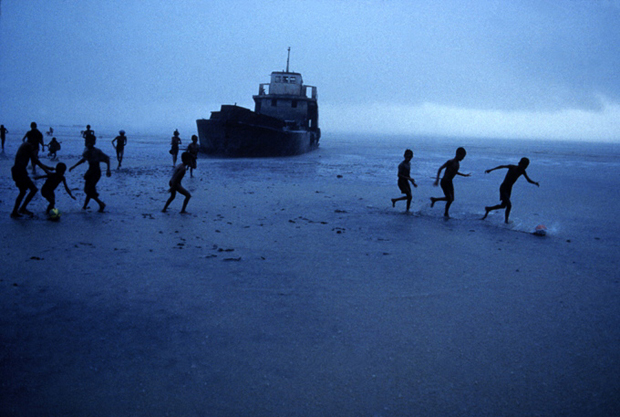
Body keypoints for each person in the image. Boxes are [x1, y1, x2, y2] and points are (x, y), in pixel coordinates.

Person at [482, 157, 540, 223]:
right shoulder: (512, 167)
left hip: (509, 189)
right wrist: (491, 170)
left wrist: (535, 182)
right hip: (503, 187)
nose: (525, 167)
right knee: (509, 205)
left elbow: (528, 180)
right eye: (524, 165)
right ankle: (506, 221)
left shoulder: (522, 171)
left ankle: (489, 208)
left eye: (526, 166)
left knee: (503, 206)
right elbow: (501, 166)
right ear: (520, 163)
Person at [10, 141, 55, 218]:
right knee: (33, 189)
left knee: (22, 192)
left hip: (16, 170)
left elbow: (35, 160)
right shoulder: (28, 147)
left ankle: (15, 211)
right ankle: (22, 208)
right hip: (20, 172)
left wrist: (47, 168)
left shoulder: (24, 145)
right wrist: (47, 171)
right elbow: (36, 160)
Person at [69, 142, 111, 212]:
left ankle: (100, 203)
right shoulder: (89, 151)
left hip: (95, 173)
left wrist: (108, 170)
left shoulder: (96, 151)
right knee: (89, 190)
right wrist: (74, 166)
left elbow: (107, 159)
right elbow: (83, 159)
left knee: (88, 190)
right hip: (91, 172)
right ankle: (85, 206)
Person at [430, 147, 470, 218]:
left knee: (452, 199)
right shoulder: (450, 162)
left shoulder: (457, 163)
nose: (463, 158)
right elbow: (440, 169)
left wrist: (464, 175)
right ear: (458, 154)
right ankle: (445, 213)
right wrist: (437, 180)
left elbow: (454, 171)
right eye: (462, 156)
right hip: (444, 181)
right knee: (449, 198)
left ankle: (435, 200)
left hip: (450, 182)